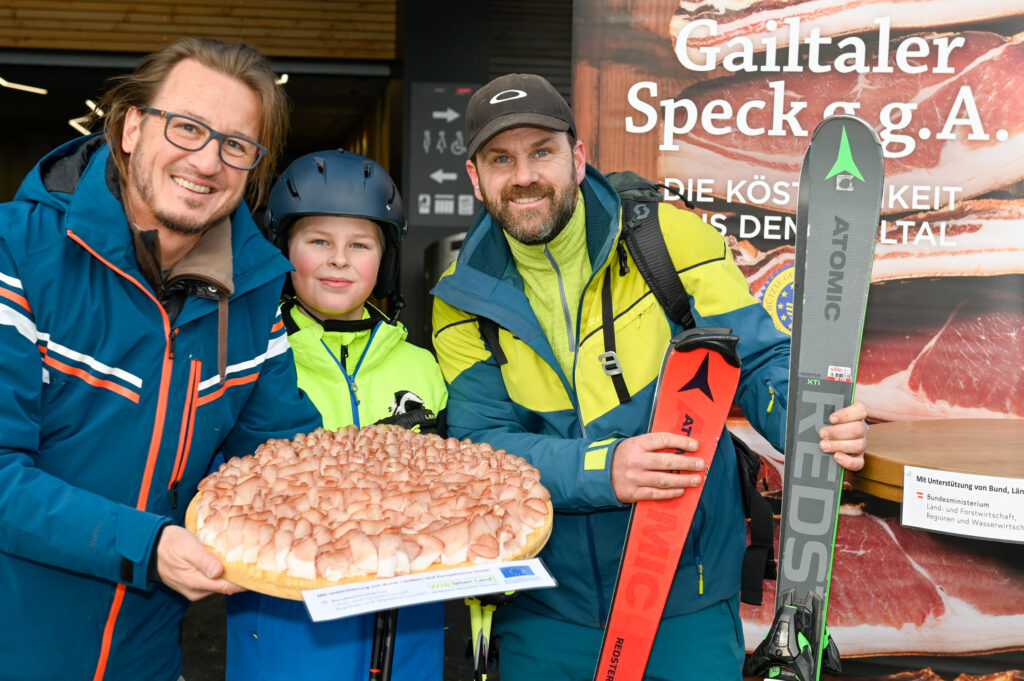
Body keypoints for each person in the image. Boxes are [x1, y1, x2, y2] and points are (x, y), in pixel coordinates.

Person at [430, 73, 870, 681]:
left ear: (577, 159)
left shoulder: (668, 238)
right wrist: (602, 469)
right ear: (477, 178)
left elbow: (760, 360)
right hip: (544, 607)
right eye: (501, 159)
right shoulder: (461, 297)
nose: (524, 175)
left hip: (684, 595)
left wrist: (810, 418)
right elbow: (482, 448)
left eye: (543, 152)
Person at [0, 38, 323, 681]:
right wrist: (147, 546)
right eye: (188, 127)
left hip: (147, 660)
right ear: (130, 128)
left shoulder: (254, 295)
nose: (207, 161)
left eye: (235, 144)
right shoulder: (17, 256)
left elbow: (288, 462)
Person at [224, 149, 448, 681]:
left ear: (385, 259)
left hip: (407, 629)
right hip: (286, 625)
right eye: (318, 241)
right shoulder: (255, 359)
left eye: (360, 244)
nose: (339, 260)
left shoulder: (423, 365)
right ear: (284, 250)